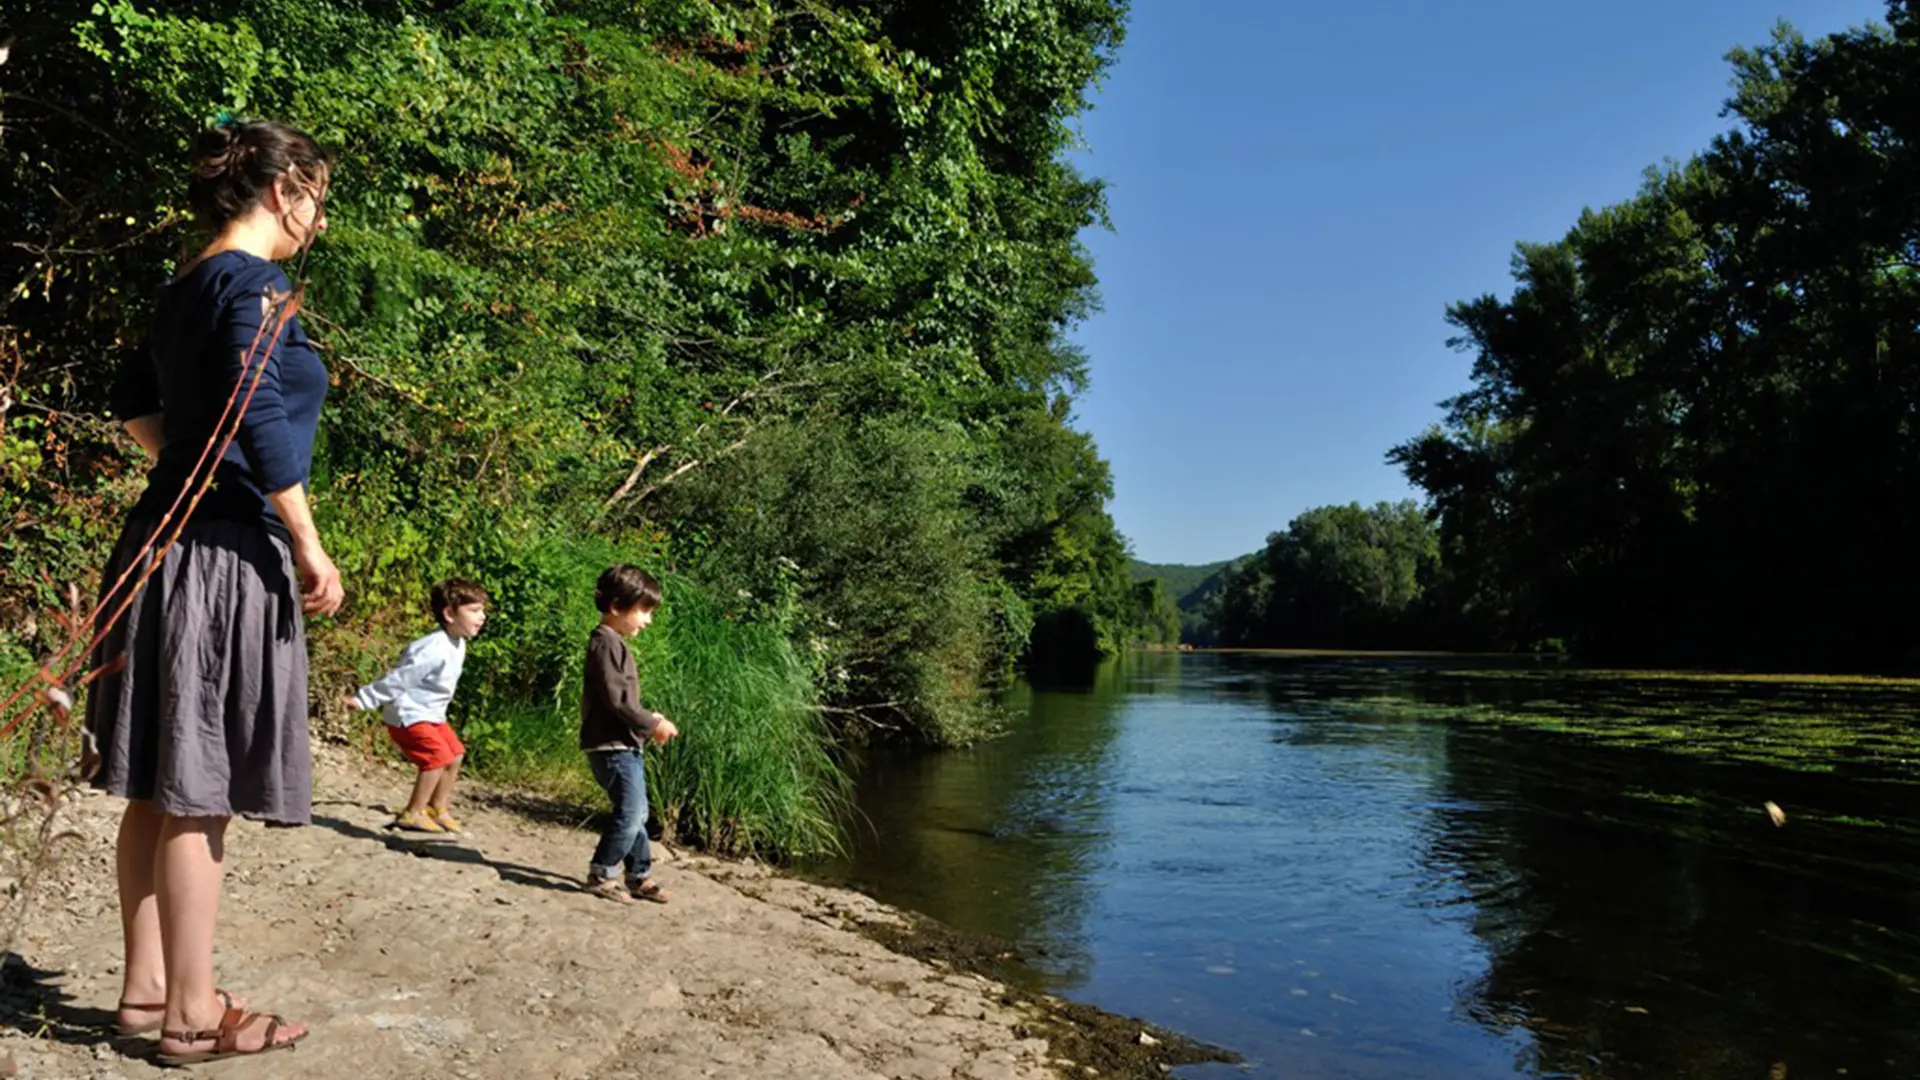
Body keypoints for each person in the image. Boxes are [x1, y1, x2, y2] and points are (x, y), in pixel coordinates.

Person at [86, 116, 337, 1064]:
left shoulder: (182, 285)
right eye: (316, 197)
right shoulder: (255, 284)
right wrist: (308, 543)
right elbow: (258, 404)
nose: (318, 217)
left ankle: (147, 996)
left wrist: (185, 465)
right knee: (196, 792)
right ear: (285, 192)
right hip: (221, 553)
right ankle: (193, 1015)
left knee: (156, 786)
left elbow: (133, 400)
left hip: (157, 541)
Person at [345, 579, 489, 833]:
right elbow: (399, 679)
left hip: (431, 714)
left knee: (455, 754)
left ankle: (437, 807)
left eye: (482, 610)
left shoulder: (458, 642)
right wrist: (364, 699)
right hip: (408, 715)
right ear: (449, 613)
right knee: (436, 757)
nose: (482, 616)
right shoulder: (432, 648)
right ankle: (413, 812)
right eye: (474, 611)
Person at [579, 564, 679, 903]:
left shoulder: (613, 643)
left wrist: (648, 717)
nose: (648, 620)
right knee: (631, 811)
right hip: (611, 747)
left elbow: (620, 698)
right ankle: (602, 872)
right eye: (644, 611)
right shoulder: (605, 644)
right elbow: (618, 700)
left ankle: (638, 874)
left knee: (638, 811)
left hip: (621, 743)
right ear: (617, 606)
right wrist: (653, 725)